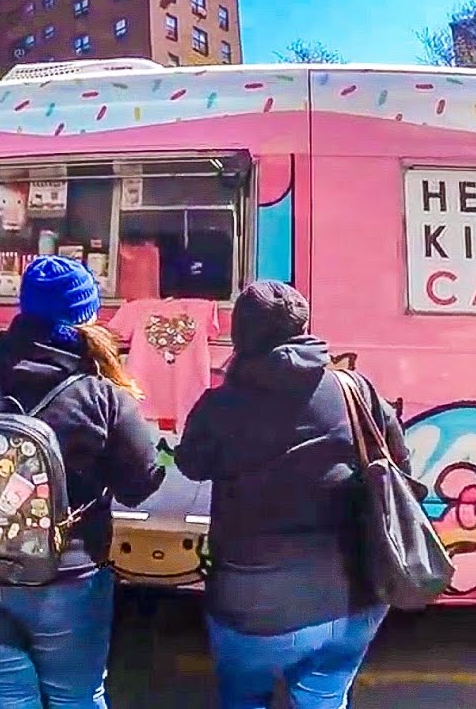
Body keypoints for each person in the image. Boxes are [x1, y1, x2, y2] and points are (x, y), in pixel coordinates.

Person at [0, 255, 166, 709]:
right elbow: (140, 484)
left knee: (8, 688)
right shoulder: (100, 394)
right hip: (63, 574)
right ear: (86, 316)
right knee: (74, 695)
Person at [176, 280, 411, 709]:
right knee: (324, 697)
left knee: (244, 696)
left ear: (240, 334)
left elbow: (190, 465)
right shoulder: (354, 391)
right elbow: (400, 462)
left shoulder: (219, 406)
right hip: (351, 598)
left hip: (248, 608)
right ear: (303, 326)